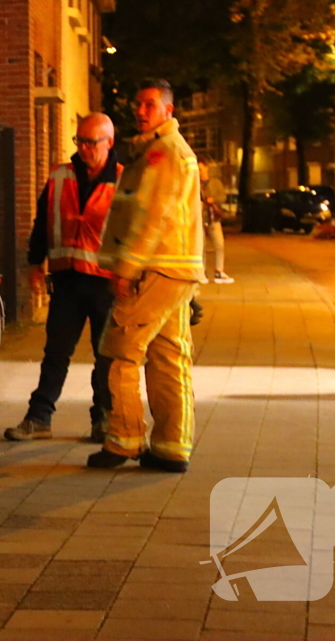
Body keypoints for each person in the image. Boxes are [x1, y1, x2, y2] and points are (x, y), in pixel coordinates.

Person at [87, 79, 204, 473]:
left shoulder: (162, 154)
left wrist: (125, 269)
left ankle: (124, 439)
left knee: (120, 350)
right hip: (175, 267)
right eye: (138, 104)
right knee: (169, 356)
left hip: (154, 268)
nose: (140, 111)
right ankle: (172, 446)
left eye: (150, 105)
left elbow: (151, 217)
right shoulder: (161, 150)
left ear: (168, 111)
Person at [5, 113, 120, 443]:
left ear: (109, 143)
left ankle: (104, 419)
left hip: (106, 282)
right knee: (56, 352)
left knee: (106, 356)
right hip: (67, 279)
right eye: (79, 141)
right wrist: (34, 264)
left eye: (91, 142)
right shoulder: (60, 176)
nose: (83, 148)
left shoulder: (124, 181)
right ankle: (39, 417)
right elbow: (42, 222)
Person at [199, 158, 233, 284]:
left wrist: (213, 199)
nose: (199, 172)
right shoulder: (195, 183)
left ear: (207, 168)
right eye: (197, 169)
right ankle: (201, 272)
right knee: (201, 246)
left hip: (213, 217)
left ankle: (219, 271)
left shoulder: (215, 182)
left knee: (219, 244)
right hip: (201, 217)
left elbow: (222, 196)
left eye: (201, 169)